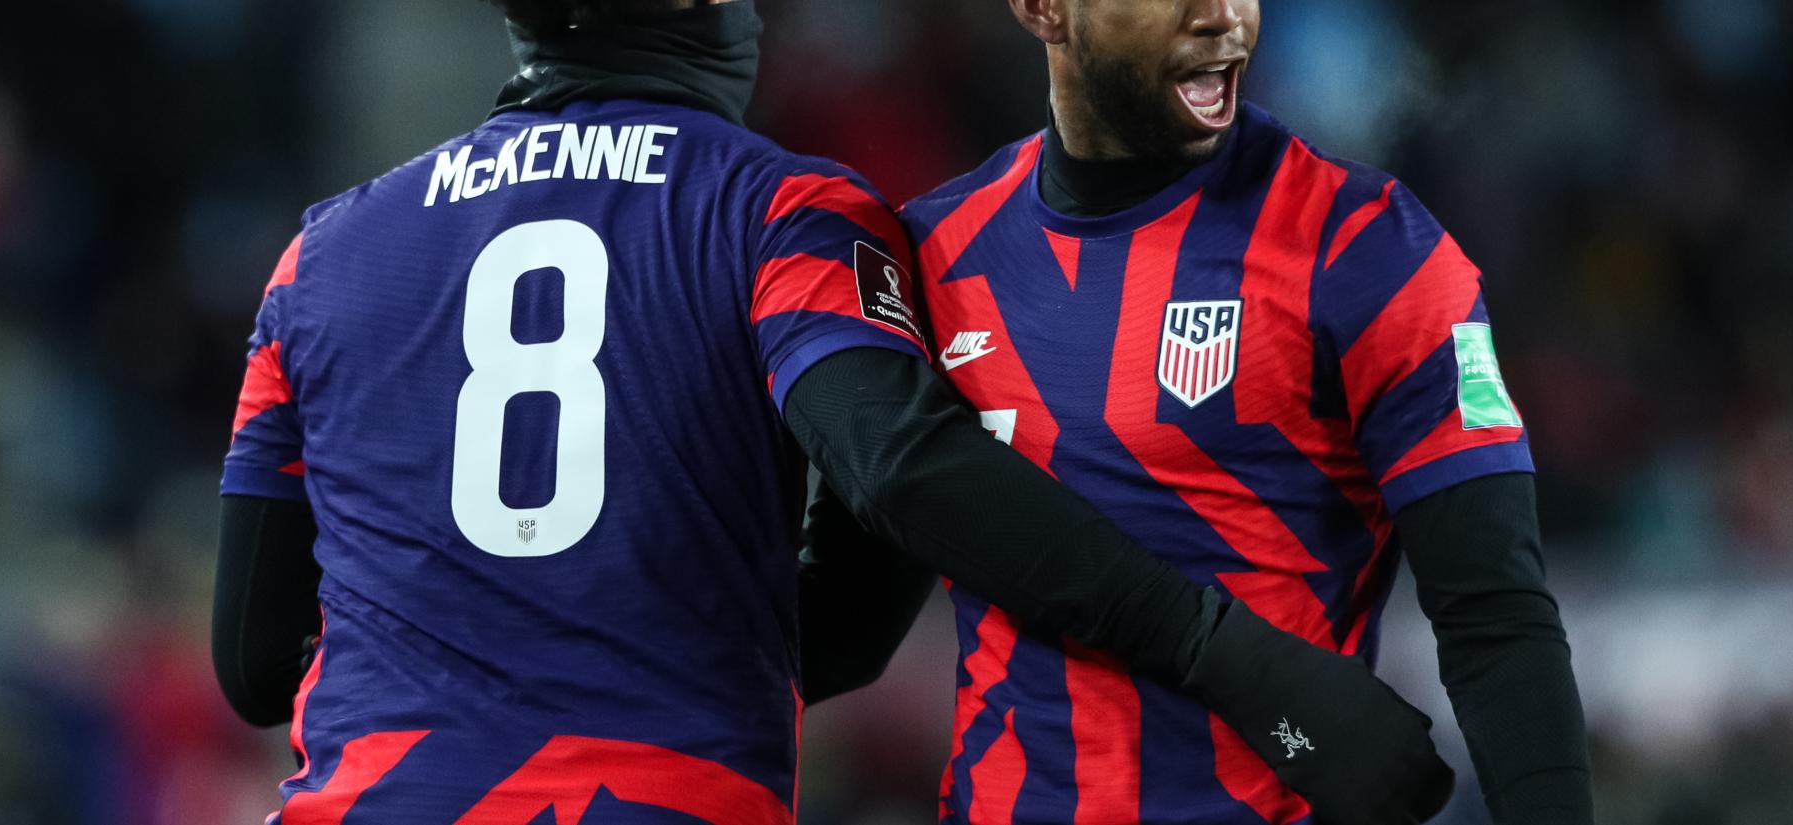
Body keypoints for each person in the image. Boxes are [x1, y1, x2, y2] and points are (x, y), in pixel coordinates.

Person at [210, 1, 1448, 823]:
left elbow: (257, 666)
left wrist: (490, 632)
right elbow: (899, 474)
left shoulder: (318, 256)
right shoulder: (783, 213)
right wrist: (1228, 654)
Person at [885, 0, 1595, 823]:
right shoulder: (933, 251)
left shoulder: (1367, 248)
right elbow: (847, 612)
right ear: (1043, 9)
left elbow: (1497, 621)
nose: (1225, 17)